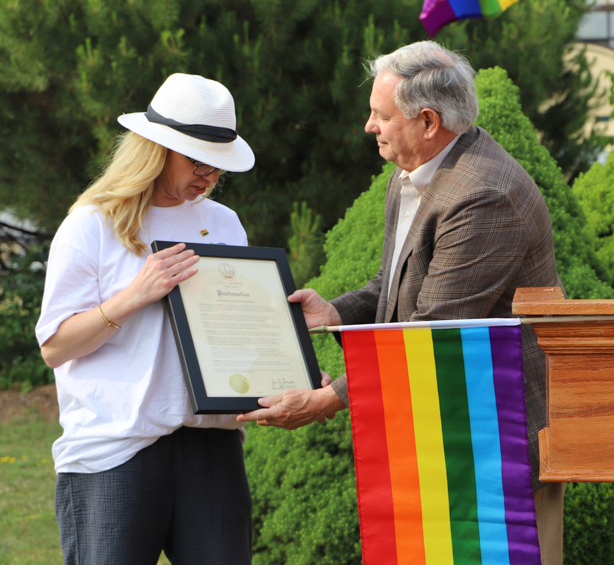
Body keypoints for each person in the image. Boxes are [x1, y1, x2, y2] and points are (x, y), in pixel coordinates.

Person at [238, 41, 567, 564]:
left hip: (494, 440)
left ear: (429, 121)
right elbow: (394, 285)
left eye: (380, 114)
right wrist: (336, 312)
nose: (369, 125)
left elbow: (432, 328)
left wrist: (329, 399)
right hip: (439, 418)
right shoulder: (413, 174)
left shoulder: (483, 194)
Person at [36, 73, 256, 565]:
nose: (208, 177)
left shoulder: (224, 224)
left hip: (211, 444)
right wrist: (134, 296)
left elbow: (240, 329)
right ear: (156, 148)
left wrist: (289, 371)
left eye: (218, 167)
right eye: (196, 160)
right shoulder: (92, 224)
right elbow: (54, 347)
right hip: (113, 450)